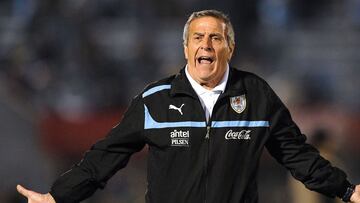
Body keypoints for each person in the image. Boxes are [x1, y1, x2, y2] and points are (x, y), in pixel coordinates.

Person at [17, 9, 360, 203]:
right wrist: (57, 197)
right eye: (197, 37)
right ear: (185, 48)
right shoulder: (155, 100)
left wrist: (346, 190)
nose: (206, 45)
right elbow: (105, 157)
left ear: (230, 47)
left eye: (215, 37)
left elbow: (297, 155)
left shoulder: (257, 97)